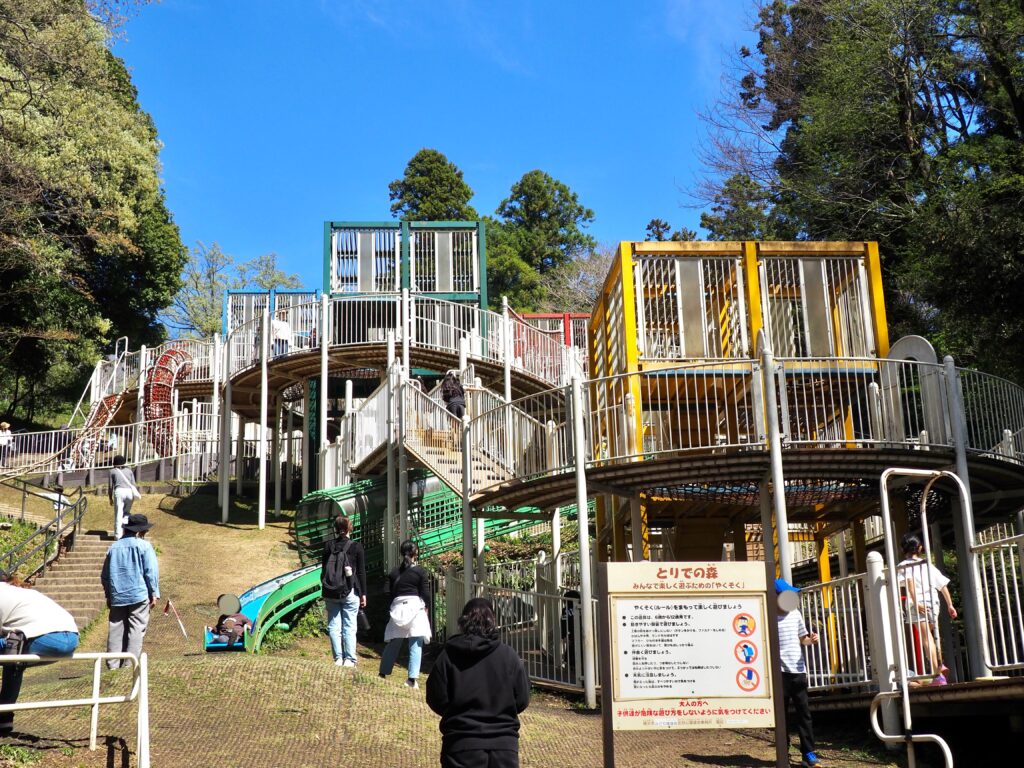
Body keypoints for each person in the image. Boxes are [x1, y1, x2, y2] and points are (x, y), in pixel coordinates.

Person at [426, 597, 530, 768]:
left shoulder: (448, 656)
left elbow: (436, 697)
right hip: (503, 745)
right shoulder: (508, 656)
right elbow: (522, 699)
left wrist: (455, 713)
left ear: (463, 622)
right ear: (493, 622)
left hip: (461, 742)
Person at [0, 576, 79, 735]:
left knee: (13, 649)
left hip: (50, 638)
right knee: (14, 658)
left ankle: (4, 715)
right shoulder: (17, 592)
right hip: (72, 637)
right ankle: (4, 718)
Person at [101, 514, 159, 669]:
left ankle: (112, 665)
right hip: (138, 594)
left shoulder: (113, 547)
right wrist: (154, 593)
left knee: (115, 629)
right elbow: (150, 572)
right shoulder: (144, 546)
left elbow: (105, 576)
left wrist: (108, 594)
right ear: (141, 531)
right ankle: (129, 665)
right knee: (136, 629)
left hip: (117, 594)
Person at [898, 532, 957, 684]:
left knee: (926, 639)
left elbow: (909, 582)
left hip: (917, 604)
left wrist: (916, 602)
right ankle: (937, 670)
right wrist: (950, 605)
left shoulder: (904, 565)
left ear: (903, 549)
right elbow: (942, 585)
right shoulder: (927, 565)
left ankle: (938, 670)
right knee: (930, 637)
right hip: (933, 603)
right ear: (920, 548)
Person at [775, 578, 820, 768]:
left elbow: (803, 639)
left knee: (804, 714)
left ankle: (808, 753)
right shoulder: (768, 616)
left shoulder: (795, 614)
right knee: (781, 716)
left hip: (799, 670)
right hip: (779, 673)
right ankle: (782, 753)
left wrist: (812, 640)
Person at [379, 540, 432, 689]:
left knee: (394, 641)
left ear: (402, 553)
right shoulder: (420, 572)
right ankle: (411, 679)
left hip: (397, 609)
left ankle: (383, 673)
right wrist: (426, 606)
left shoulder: (394, 572)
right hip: (415, 607)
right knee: (416, 643)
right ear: (416, 553)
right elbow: (425, 593)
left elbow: (387, 592)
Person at [321, 515, 366, 667]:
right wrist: (363, 593)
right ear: (349, 528)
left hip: (330, 591)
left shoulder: (328, 546)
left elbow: (323, 571)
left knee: (333, 626)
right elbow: (360, 573)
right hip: (349, 590)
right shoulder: (356, 546)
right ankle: (350, 659)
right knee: (349, 626)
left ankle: (338, 658)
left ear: (335, 528)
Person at [108, 455, 140, 540]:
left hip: (119, 492)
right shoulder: (129, 471)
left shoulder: (112, 471)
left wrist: (110, 498)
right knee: (126, 514)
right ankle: (127, 534)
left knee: (118, 514)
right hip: (129, 492)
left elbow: (110, 487)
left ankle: (118, 536)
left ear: (114, 463)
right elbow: (134, 484)